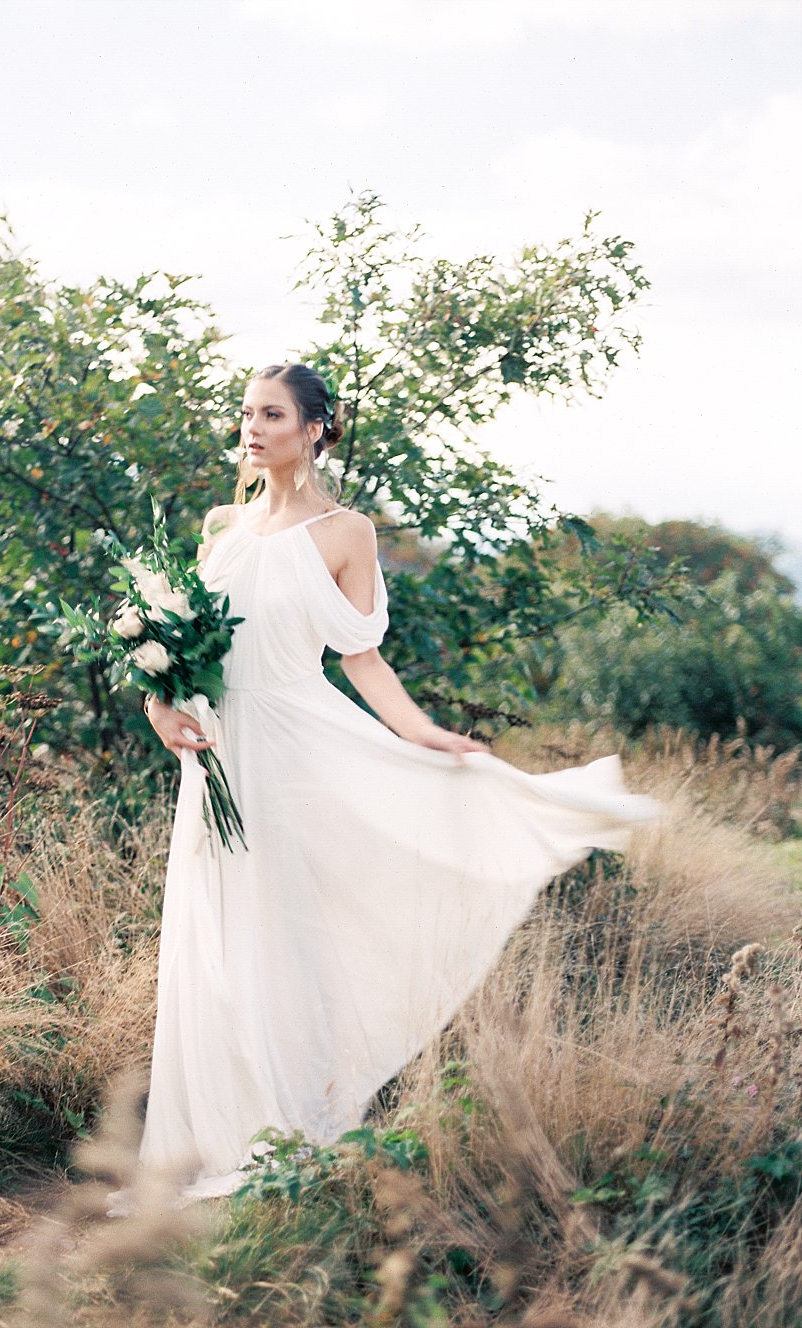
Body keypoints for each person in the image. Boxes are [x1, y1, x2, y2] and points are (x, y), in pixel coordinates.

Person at [109, 363, 659, 1209]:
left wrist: (422, 733)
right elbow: (187, 650)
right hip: (218, 753)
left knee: (290, 935)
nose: (252, 429)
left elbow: (360, 657)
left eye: (272, 415)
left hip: (298, 747)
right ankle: (213, 1135)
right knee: (216, 939)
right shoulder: (220, 526)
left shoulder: (346, 532)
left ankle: (292, 1126)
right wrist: (156, 702)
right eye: (246, 414)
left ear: (315, 429)